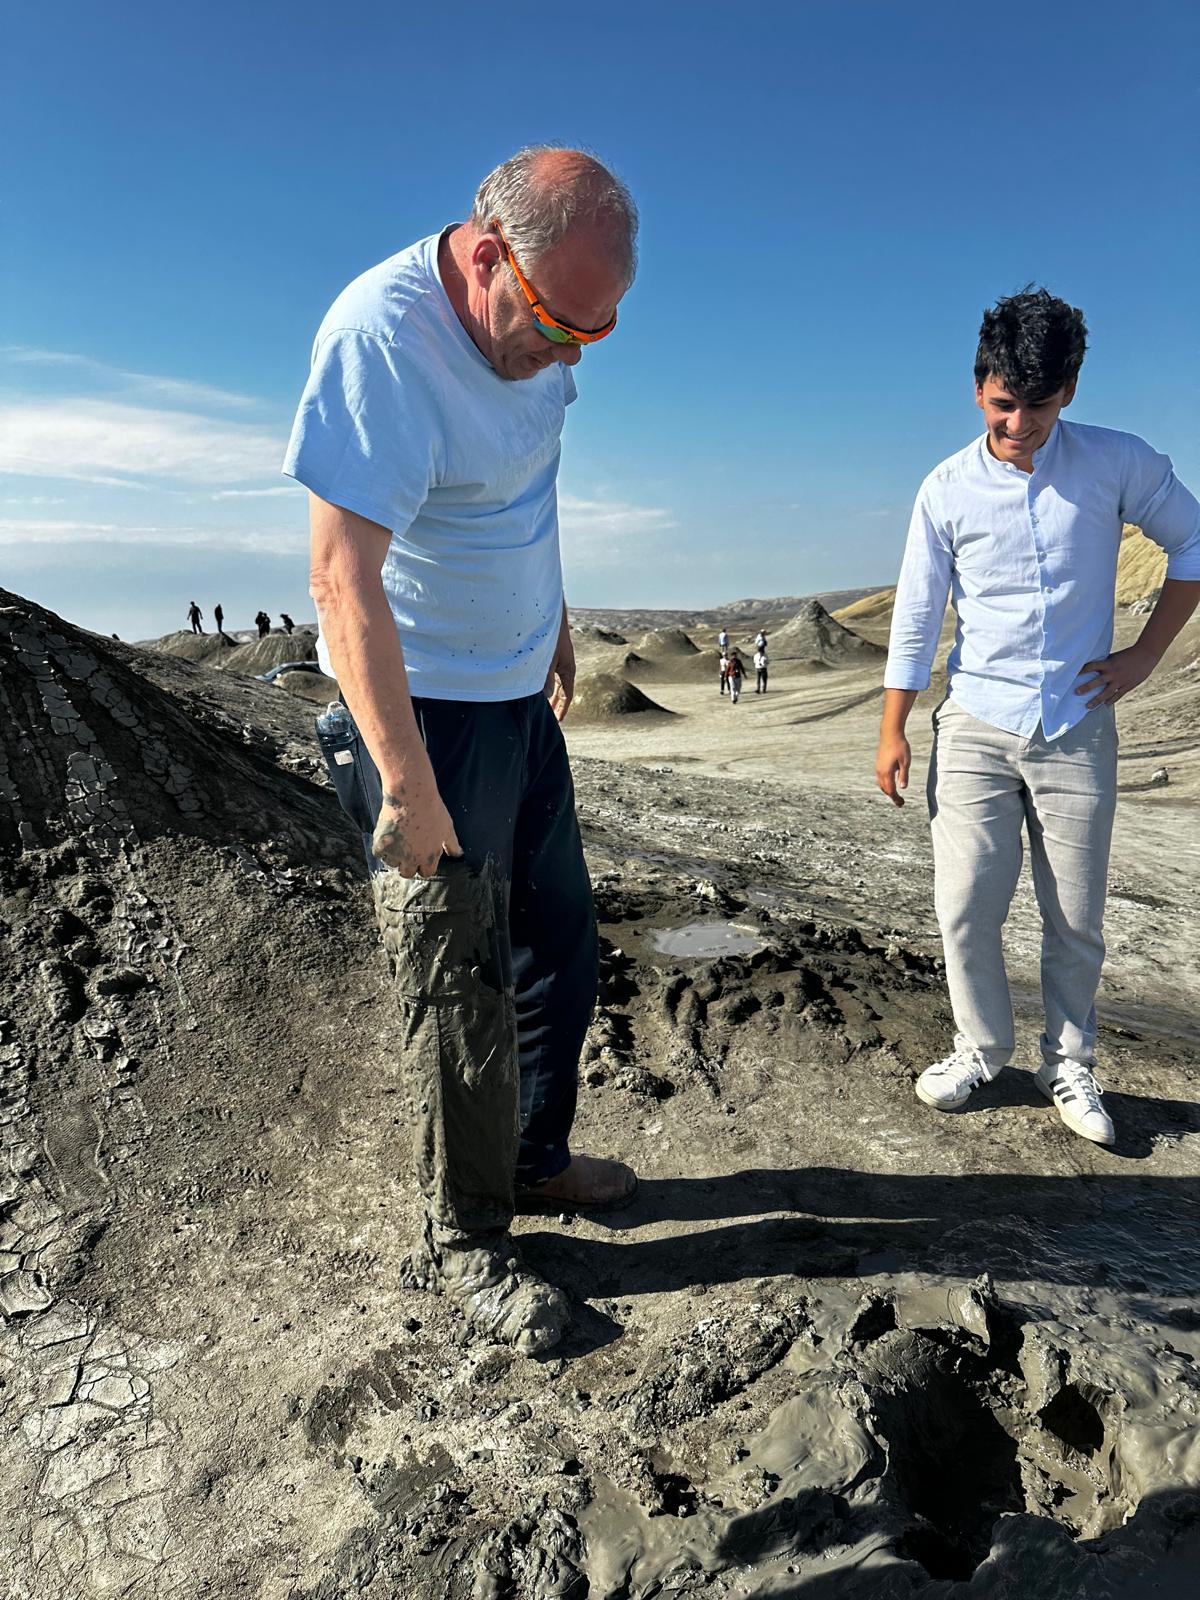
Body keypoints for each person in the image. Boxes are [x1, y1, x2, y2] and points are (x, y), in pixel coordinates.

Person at [283, 146, 639, 1355]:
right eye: (559, 326)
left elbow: (529, 486)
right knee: (455, 979)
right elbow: (341, 581)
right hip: (424, 711)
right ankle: (465, 1243)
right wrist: (405, 784)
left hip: (516, 699)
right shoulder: (381, 343)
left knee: (559, 943)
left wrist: (555, 619)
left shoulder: (535, 332)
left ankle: (532, 1160)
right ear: (487, 256)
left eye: (596, 334)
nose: (571, 357)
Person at [876, 287, 1200, 1147]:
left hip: (1077, 726)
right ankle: (981, 1050)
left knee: (1077, 916)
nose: (1018, 424)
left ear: (1071, 391)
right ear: (978, 386)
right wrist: (893, 725)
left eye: (1039, 406)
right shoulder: (945, 489)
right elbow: (918, 612)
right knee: (964, 905)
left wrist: (1144, 657)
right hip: (975, 723)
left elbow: (1194, 541)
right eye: (1002, 403)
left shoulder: (1117, 462)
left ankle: (1070, 1064)